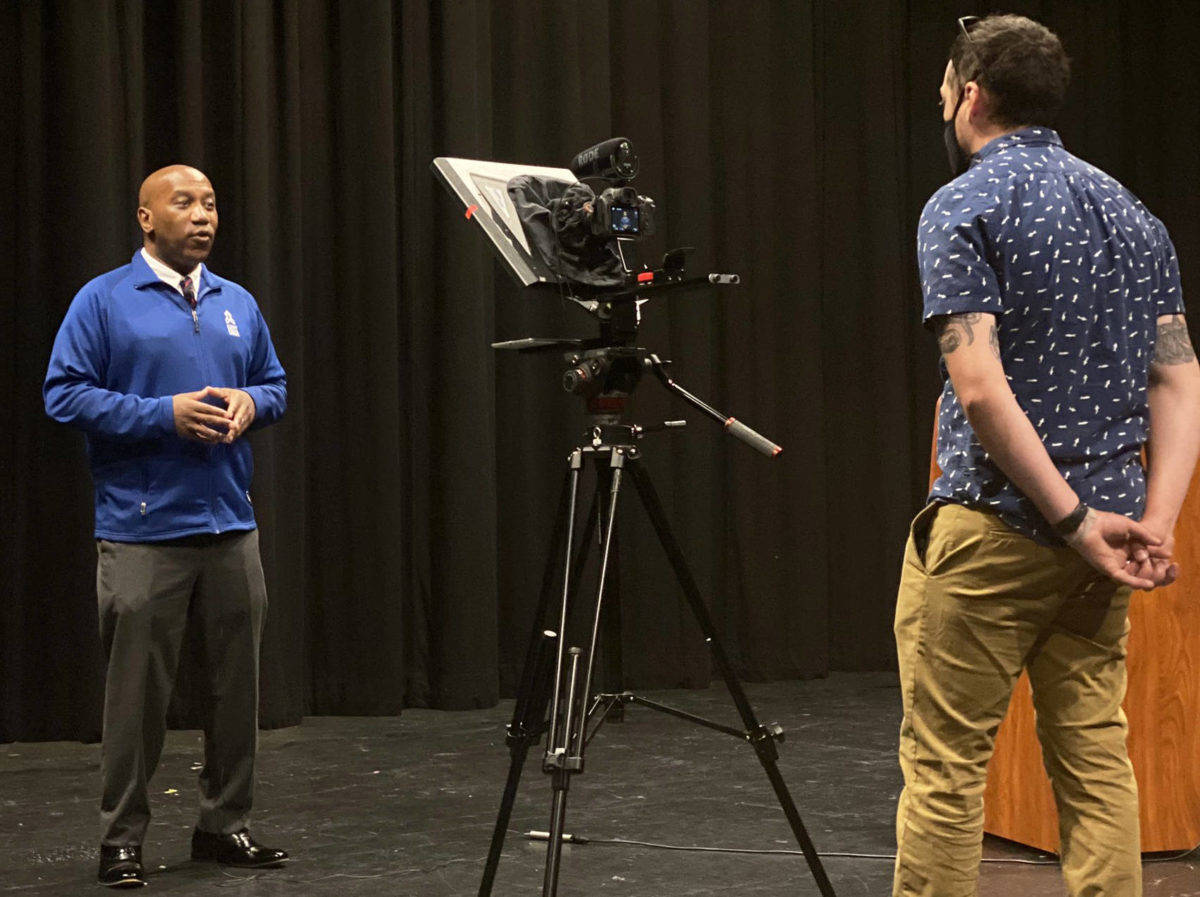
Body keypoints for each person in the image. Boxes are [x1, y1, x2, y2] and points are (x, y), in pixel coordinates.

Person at [895, 13, 1200, 897]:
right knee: (1096, 756)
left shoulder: (963, 203)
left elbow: (982, 388)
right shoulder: (1132, 212)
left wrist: (1067, 518)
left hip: (998, 530)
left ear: (971, 95)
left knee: (947, 767)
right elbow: (1179, 380)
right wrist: (1153, 521)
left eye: (948, 87)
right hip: (1108, 540)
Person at [44, 165, 290, 888]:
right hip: (143, 533)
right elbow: (64, 393)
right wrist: (163, 414)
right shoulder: (104, 300)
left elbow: (274, 382)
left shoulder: (234, 301)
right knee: (135, 702)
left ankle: (225, 824)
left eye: (212, 202)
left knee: (236, 693)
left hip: (231, 528)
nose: (203, 215)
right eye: (184, 202)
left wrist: (251, 400)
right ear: (146, 218)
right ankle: (121, 839)